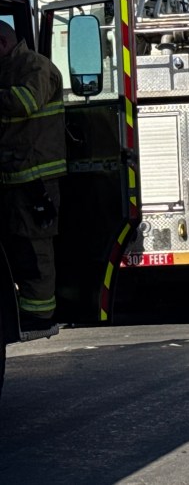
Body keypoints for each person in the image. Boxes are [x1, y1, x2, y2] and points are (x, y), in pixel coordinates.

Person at [0, 20, 66, 332]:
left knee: (35, 247)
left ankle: (40, 314)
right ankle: (27, 309)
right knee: (18, 247)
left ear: (2, 43)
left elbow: (24, 103)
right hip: (15, 176)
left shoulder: (36, 66)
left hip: (36, 179)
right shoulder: (8, 67)